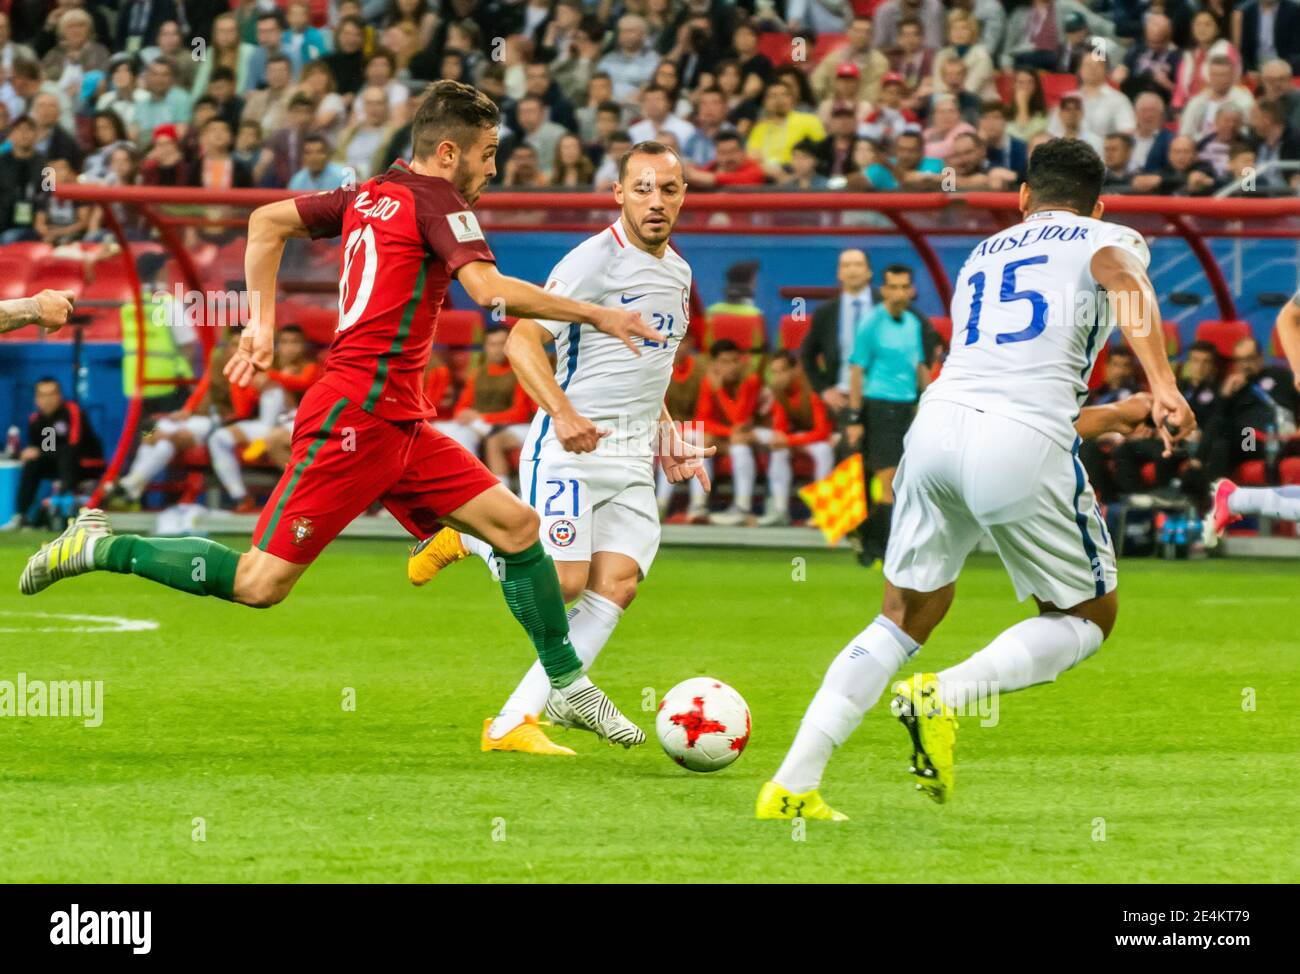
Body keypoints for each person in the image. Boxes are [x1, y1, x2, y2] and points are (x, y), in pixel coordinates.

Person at [19, 80, 658, 749]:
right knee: (259, 584)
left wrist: (260, 325)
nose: (493, 169)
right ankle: (99, 545)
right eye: (488, 153)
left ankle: (566, 684)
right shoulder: (438, 200)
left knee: (518, 526)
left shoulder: (370, 194)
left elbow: (266, 222)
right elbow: (491, 291)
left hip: (399, 421)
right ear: (448, 152)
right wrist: (599, 314)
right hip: (354, 415)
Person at [756, 138, 1196, 820]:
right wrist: (1163, 385)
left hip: (934, 433)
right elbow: (1125, 281)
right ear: (1098, 205)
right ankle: (948, 695)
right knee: (1086, 616)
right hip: (1015, 440)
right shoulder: (1109, 238)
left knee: (903, 614)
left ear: (1023, 198)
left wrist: (1113, 415)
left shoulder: (983, 256)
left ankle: (791, 785)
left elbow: (1005, 385)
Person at [407, 141, 704, 755]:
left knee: (617, 584)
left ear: (682, 197)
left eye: (668, 190)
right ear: (618, 194)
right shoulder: (592, 262)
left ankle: (514, 721)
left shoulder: (679, 273)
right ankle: (469, 536)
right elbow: (520, 340)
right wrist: (562, 413)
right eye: (642, 188)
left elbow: (650, 366)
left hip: (631, 457)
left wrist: (668, 430)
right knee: (565, 582)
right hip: (570, 448)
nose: (656, 202)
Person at [845, 264, 940, 565]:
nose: (899, 293)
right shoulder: (871, 323)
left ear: (911, 290)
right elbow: (857, 370)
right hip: (878, 406)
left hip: (906, 408)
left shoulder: (913, 323)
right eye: (893, 287)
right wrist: (855, 417)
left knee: (900, 479)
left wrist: (930, 400)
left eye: (904, 287)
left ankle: (865, 535)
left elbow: (920, 367)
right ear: (883, 290)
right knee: (889, 477)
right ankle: (887, 549)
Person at [206, 326, 320, 513]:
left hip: (298, 424)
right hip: (266, 425)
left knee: (273, 435)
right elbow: (243, 409)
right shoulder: (266, 367)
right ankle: (241, 497)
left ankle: (306, 496)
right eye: (284, 342)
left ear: (303, 346)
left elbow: (304, 383)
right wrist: (247, 380)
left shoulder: (309, 366)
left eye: (295, 342)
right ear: (277, 346)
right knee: (218, 438)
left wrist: (273, 378)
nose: (290, 348)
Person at [754, 352, 834, 527]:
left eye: (781, 371)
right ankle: (780, 510)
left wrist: (788, 441)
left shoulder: (812, 389)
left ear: (794, 370)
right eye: (774, 372)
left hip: (824, 437)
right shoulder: (778, 391)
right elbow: (780, 427)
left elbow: (822, 432)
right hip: (801, 437)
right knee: (779, 450)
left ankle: (822, 512)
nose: (777, 377)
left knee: (824, 451)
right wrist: (783, 440)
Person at [11, 378, 100, 528]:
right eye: (42, 395)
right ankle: (22, 515)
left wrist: (40, 452)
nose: (47, 400)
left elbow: (74, 445)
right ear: (36, 399)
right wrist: (31, 453)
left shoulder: (71, 411)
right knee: (32, 463)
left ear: (60, 396)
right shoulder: (36, 420)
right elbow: (45, 450)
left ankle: (63, 505)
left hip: (84, 462)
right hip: (58, 464)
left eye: (51, 394)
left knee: (66, 453)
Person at [801, 248, 874, 414]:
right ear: (839, 273)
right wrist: (824, 390)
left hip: (882, 397)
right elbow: (807, 354)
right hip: (843, 398)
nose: (852, 270)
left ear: (869, 272)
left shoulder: (886, 306)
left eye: (858, 264)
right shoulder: (826, 312)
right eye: (846, 265)